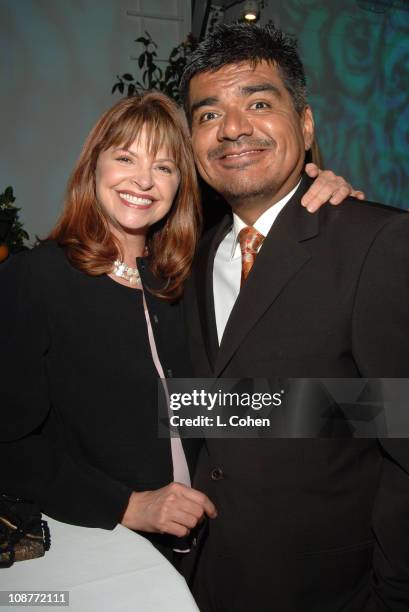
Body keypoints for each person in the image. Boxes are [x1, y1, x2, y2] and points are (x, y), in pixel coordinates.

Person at [180, 23, 409, 611]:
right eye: (209, 115)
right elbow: (211, 403)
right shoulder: (192, 255)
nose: (233, 128)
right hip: (210, 571)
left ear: (305, 126)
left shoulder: (375, 241)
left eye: (258, 103)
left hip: (335, 589)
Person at [0, 92, 218, 564]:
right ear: (93, 166)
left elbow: (209, 407)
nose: (144, 179)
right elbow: (8, 442)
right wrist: (128, 505)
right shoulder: (37, 277)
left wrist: (370, 411)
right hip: (106, 548)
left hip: (208, 545)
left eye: (164, 166)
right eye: (125, 157)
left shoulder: (184, 278)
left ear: (180, 184)